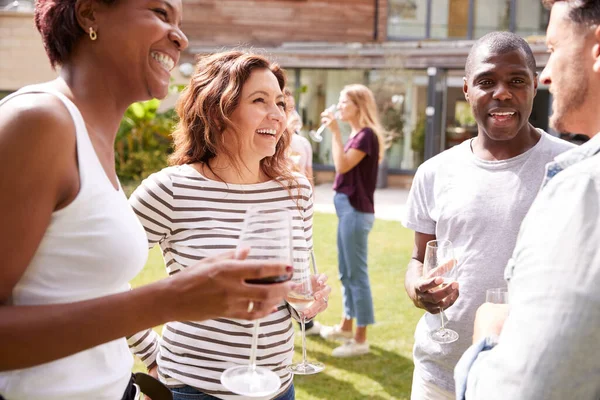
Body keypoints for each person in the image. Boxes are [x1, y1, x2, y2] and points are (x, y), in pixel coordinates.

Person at [0, 2, 295, 399]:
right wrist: (168, 302)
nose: (180, 36)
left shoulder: (92, 139)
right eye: (159, 12)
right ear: (89, 14)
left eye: (179, 22)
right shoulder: (38, 120)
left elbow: (90, 287)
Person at [127, 50, 331, 400]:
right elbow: (102, 277)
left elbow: (290, 281)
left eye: (280, 103)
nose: (277, 115)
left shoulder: (296, 190)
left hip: (278, 388)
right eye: (259, 100)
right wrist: (149, 351)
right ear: (218, 111)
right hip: (194, 390)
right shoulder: (172, 189)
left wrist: (304, 298)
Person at [402, 31, 575, 399]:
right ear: (466, 89)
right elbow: (418, 258)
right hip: (439, 375)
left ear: (533, 86)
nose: (501, 93)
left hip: (529, 376)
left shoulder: (570, 168)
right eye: (486, 82)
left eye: (516, 81)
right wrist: (418, 289)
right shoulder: (434, 172)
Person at [455, 1, 600, 399]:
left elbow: (528, 387)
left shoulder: (584, 188)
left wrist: (488, 333)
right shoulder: (438, 170)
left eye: (554, 49)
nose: (548, 76)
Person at [318, 84, 386, 357]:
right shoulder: (358, 134)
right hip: (347, 209)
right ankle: (347, 325)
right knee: (346, 273)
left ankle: (360, 338)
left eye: (345, 101)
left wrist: (335, 131)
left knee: (357, 275)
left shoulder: (366, 136)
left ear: (359, 106)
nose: (339, 105)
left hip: (356, 211)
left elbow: (342, 166)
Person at [283, 89, 322, 337]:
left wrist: (310, 205)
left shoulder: (303, 143)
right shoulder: (275, 141)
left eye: (288, 105)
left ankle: (304, 320)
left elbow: (308, 177)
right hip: (280, 211)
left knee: (301, 264)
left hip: (297, 210)